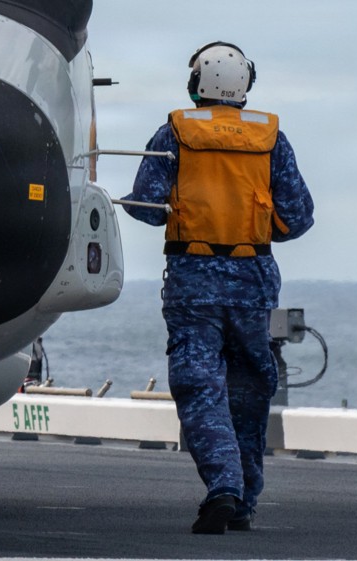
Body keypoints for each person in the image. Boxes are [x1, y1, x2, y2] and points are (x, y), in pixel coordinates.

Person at [122, 41, 315, 534]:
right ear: (245, 84)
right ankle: (245, 499)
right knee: (251, 390)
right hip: (254, 283)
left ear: (196, 85)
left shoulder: (176, 132)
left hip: (193, 283)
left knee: (199, 387)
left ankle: (224, 487)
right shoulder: (272, 138)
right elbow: (297, 219)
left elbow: (144, 207)